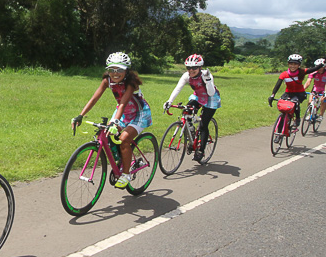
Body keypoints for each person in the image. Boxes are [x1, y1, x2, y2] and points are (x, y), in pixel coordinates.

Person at [71, 52, 152, 189]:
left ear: (126, 70)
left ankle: (126, 174)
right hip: (123, 113)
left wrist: (115, 121)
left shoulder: (130, 83)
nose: (115, 73)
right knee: (105, 134)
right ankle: (121, 159)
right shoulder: (107, 81)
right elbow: (94, 98)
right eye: (112, 70)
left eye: (119, 70)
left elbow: (123, 104)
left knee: (124, 138)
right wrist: (81, 115)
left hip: (139, 113)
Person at [163, 54, 221, 163]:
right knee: (186, 111)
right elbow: (177, 88)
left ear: (200, 67)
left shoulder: (206, 75)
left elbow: (211, 92)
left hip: (211, 98)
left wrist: (208, 80)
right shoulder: (186, 76)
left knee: (203, 124)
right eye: (188, 68)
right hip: (198, 96)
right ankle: (192, 135)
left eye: (194, 68)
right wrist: (169, 102)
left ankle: (201, 151)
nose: (191, 70)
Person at [268, 54, 324, 127]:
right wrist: (272, 95)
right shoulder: (284, 74)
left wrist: (321, 64)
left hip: (299, 93)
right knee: (282, 106)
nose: (293, 66)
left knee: (295, 103)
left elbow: (313, 69)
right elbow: (277, 85)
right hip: (288, 93)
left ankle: (297, 119)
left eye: (295, 64)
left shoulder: (302, 72)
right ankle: (278, 135)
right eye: (291, 64)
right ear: (288, 64)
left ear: (299, 65)